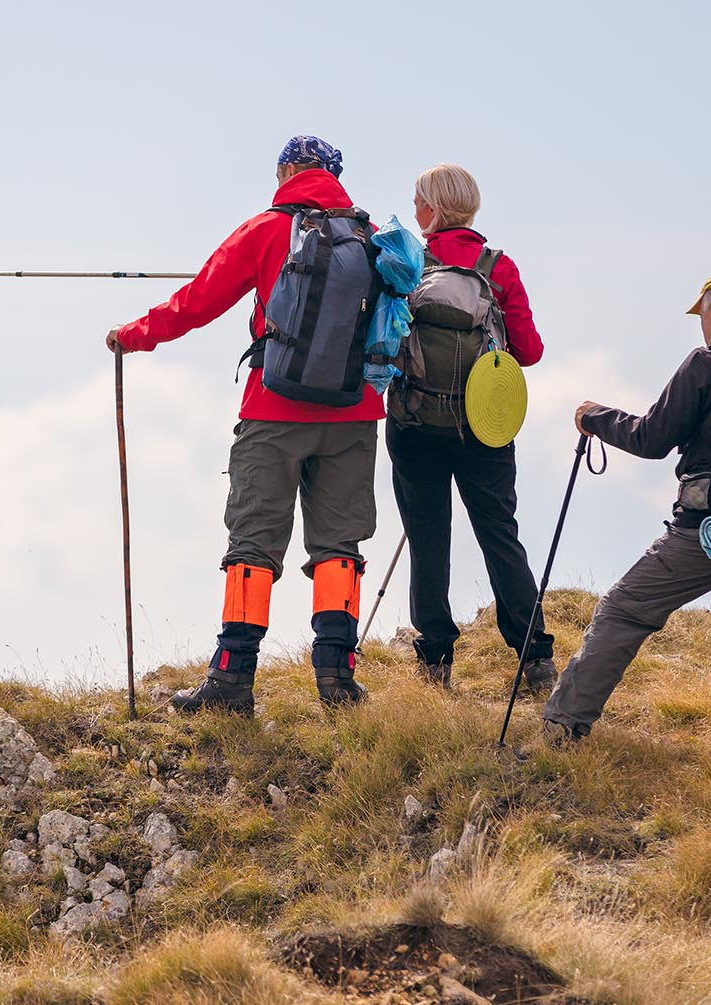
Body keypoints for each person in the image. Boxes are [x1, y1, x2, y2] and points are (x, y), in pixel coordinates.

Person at [107, 135, 382, 714]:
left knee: (253, 542)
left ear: (285, 171)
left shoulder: (264, 229)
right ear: (336, 176)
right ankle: (337, 679)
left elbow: (199, 299)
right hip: (353, 413)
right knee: (340, 544)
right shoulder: (372, 238)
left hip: (272, 408)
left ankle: (232, 681)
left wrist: (133, 335)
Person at [540, 269, 711, 789]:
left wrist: (594, 417)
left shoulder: (709, 362)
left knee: (624, 609)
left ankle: (562, 729)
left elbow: (652, 437)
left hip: (706, 532)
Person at [388, 163, 555, 689]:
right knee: (500, 535)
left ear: (433, 209)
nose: (414, 211)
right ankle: (535, 658)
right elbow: (529, 351)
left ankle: (434, 660)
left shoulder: (409, 263)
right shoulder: (498, 267)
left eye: (418, 202)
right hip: (485, 427)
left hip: (414, 423)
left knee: (428, 539)